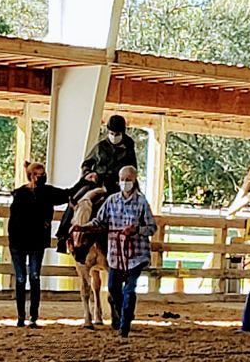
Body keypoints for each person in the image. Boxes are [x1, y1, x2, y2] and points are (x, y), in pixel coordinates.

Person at [74, 166, 156, 337]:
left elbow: (152, 227)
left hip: (135, 253)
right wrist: (83, 227)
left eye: (128, 179)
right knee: (112, 287)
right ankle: (124, 312)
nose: (124, 183)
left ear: (134, 180)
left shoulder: (142, 202)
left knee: (129, 288)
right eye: (122, 179)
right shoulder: (111, 201)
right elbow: (99, 221)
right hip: (115, 254)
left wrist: (136, 230)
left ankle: (124, 325)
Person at [8, 162, 91, 328]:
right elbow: (14, 222)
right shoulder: (20, 195)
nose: (43, 177)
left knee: (34, 276)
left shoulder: (47, 192)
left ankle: (33, 316)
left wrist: (84, 181)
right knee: (20, 278)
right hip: (19, 242)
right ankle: (20, 316)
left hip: (36, 242)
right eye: (40, 174)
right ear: (32, 176)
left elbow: (68, 193)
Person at [56, 114, 138, 253]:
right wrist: (89, 173)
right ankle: (62, 234)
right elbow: (86, 163)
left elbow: (133, 169)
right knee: (77, 198)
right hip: (97, 182)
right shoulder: (100, 146)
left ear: (122, 133)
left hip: (117, 184)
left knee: (136, 202)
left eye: (116, 133)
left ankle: (136, 239)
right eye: (111, 133)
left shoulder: (129, 149)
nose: (113, 136)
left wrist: (125, 181)